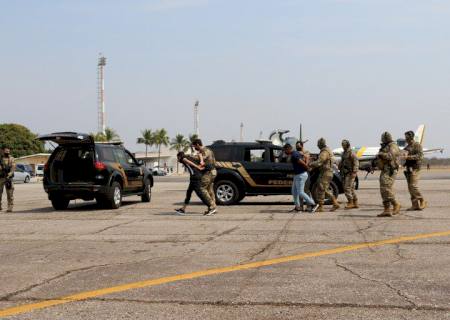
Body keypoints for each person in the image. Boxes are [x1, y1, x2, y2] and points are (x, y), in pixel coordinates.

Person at [283, 144, 318, 213]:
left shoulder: (294, 155)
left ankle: (313, 204)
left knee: (301, 192)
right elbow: (306, 157)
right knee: (294, 192)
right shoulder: (296, 153)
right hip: (297, 175)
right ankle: (298, 208)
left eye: (285, 150)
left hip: (301, 175)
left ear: (288, 149)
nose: (284, 152)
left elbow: (301, 162)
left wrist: (307, 167)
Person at [309, 138, 340, 212]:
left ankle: (335, 203)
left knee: (323, 188)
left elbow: (319, 162)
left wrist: (310, 164)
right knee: (321, 188)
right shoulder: (327, 150)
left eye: (318, 144)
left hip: (325, 172)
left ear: (320, 144)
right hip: (326, 172)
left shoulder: (324, 152)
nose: (317, 145)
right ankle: (321, 206)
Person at [376, 132, 401, 217]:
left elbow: (390, 156)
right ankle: (386, 209)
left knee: (386, 188)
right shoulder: (385, 146)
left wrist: (381, 154)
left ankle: (396, 204)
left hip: (390, 170)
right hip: (385, 170)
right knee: (383, 190)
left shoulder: (393, 146)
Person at [192, 139, 217, 216]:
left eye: (194, 146)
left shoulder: (205, 150)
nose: (194, 148)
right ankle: (213, 208)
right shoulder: (208, 150)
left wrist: (191, 156)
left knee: (202, 187)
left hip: (209, 172)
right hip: (212, 171)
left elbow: (201, 159)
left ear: (198, 144)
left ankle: (212, 206)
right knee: (209, 189)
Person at [402, 130, 426, 211]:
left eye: (407, 137)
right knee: (410, 188)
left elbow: (420, 156)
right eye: (405, 137)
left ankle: (422, 200)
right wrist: (402, 161)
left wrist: (409, 157)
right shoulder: (406, 147)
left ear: (411, 137)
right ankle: (415, 205)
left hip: (415, 168)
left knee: (413, 186)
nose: (405, 138)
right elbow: (403, 158)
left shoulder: (417, 146)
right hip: (408, 169)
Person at [338, 140, 359, 209]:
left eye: (343, 145)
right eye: (342, 145)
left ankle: (350, 202)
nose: (342, 146)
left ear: (347, 145)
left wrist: (354, 172)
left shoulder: (351, 153)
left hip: (350, 173)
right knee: (351, 188)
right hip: (345, 173)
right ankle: (355, 202)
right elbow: (343, 161)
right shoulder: (344, 153)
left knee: (347, 188)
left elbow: (356, 162)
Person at [0, 147, 16, 212]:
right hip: (1, 178)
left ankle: (10, 207)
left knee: (10, 193)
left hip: (8, 178)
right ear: (3, 151)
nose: (7, 152)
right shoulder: (0, 159)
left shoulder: (11, 159)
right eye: (5, 151)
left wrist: (10, 174)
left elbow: (13, 167)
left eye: (8, 151)